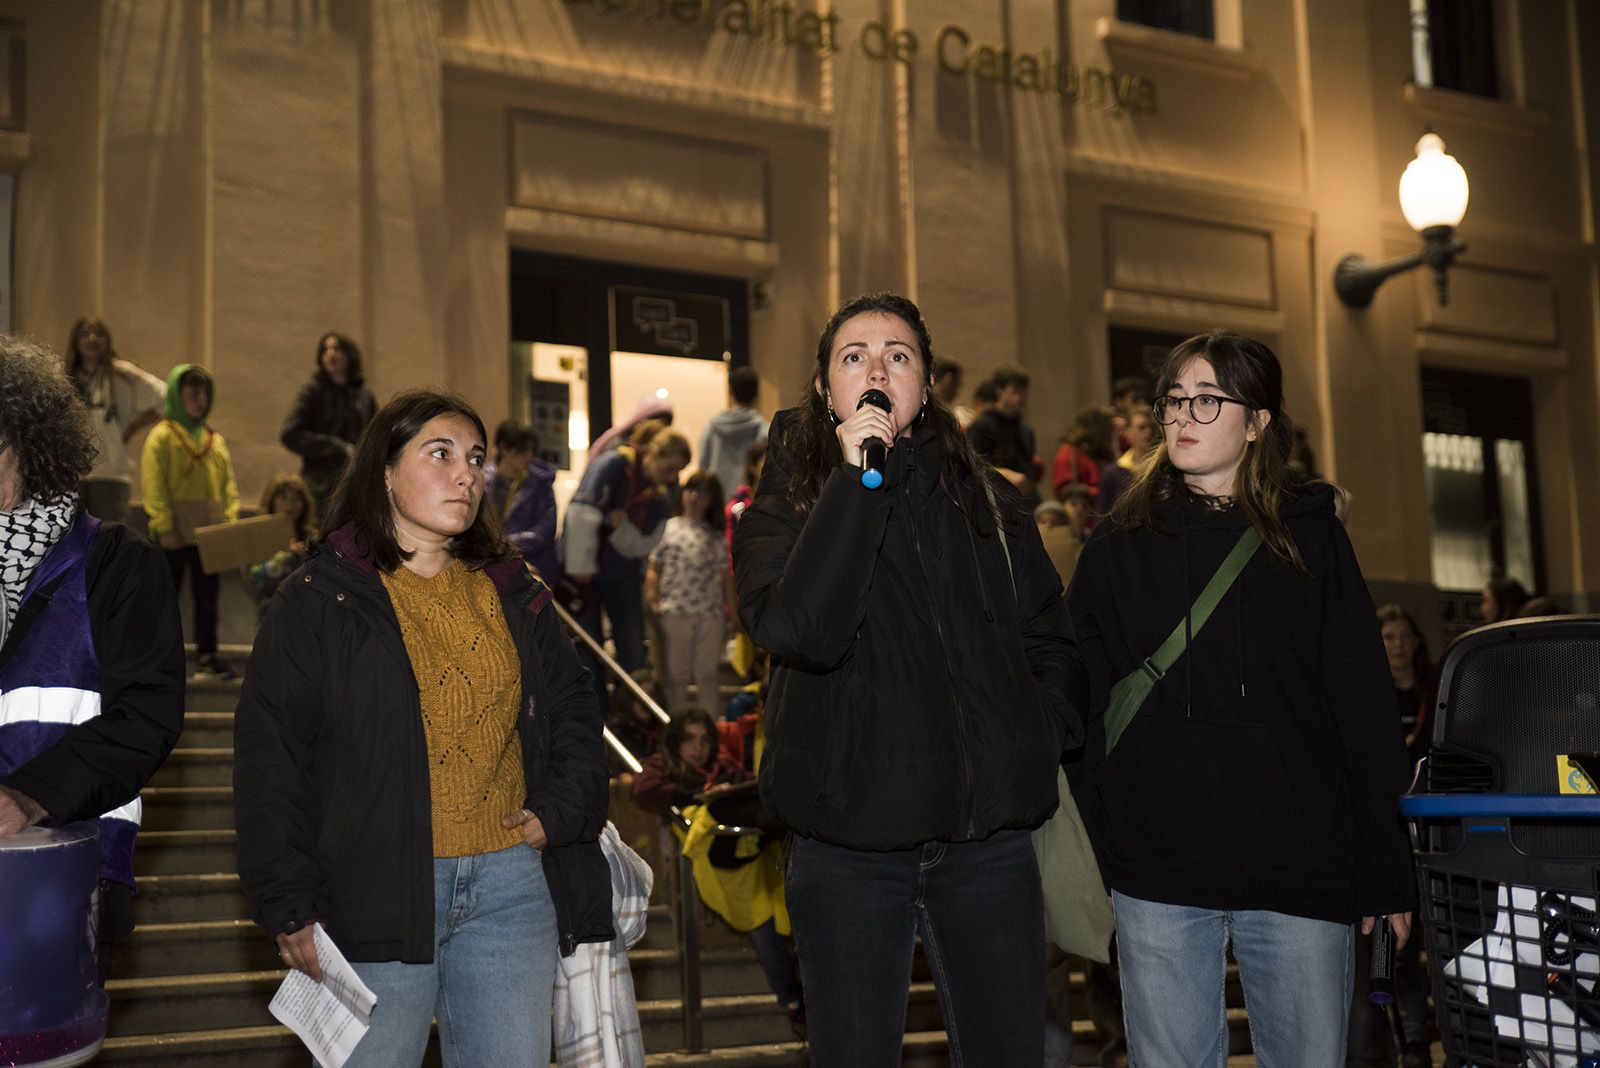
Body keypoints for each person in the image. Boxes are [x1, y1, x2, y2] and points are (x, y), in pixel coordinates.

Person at [733, 292, 1082, 1063]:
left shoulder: (990, 499)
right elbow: (801, 632)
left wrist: (1034, 735)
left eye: (900, 355)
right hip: (847, 851)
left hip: (984, 846)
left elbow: (1050, 639)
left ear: (926, 387)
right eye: (853, 356)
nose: (878, 369)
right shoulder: (786, 502)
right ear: (825, 390)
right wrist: (859, 485)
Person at [1066, 330, 1416, 1065]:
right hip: (1155, 871)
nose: (1184, 416)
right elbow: (1080, 706)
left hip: (1299, 867)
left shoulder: (1311, 539)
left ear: (1257, 422)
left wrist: (1386, 872)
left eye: (1208, 400)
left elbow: (1363, 712)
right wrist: (1101, 840)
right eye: (1173, 401)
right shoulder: (1116, 546)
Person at [234, 390, 612, 1068]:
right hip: (372, 890)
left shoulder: (512, 589)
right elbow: (271, 762)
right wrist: (288, 903)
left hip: (511, 889)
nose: (466, 474)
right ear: (383, 469)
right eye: (440, 454)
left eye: (475, 458)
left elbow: (578, 711)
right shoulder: (321, 600)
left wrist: (561, 809)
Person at [0, 334, 185, 979]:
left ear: (22, 448)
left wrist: (27, 797)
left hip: (67, 877)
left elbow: (147, 715)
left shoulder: (116, 563)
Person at [631, 707, 803, 1034]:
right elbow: (644, 789)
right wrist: (695, 795)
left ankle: (799, 998)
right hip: (702, 864)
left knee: (773, 910)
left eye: (705, 740)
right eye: (690, 740)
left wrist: (726, 793)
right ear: (674, 742)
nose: (698, 748)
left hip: (745, 859)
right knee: (761, 919)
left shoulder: (722, 765)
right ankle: (794, 1001)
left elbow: (752, 788)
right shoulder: (662, 768)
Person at [1345, 603, 1436, 1068]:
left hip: (1425, 835)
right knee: (1385, 953)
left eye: (1404, 635)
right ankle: (1394, 1040)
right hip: (1380, 830)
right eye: (1388, 637)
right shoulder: (1365, 694)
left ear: (1416, 641)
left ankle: (1416, 1038)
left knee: (1410, 943)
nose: (1397, 645)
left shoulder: (1435, 692)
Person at [561, 420, 691, 699]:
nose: (672, 477)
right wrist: (579, 569)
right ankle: (596, 720)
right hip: (587, 578)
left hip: (624, 576)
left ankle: (638, 720)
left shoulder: (662, 496)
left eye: (677, 471)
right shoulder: (612, 465)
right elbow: (581, 514)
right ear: (653, 454)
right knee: (587, 650)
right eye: (670, 468)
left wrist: (621, 527)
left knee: (632, 651)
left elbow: (645, 544)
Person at [141, 364, 240, 679]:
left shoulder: (215, 441)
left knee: (207, 597)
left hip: (207, 536)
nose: (200, 401)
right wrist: (164, 526)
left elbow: (228, 487)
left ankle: (208, 654)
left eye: (204, 395)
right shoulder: (161, 437)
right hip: (173, 536)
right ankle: (161, 658)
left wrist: (229, 525)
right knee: (167, 597)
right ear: (176, 396)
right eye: (192, 394)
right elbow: (153, 484)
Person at [645, 471, 735, 711]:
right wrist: (652, 598)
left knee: (708, 674)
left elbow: (725, 578)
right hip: (675, 608)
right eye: (691, 490)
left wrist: (733, 612)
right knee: (676, 675)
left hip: (710, 611)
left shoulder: (716, 537)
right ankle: (675, 728)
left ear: (711, 500)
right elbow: (654, 566)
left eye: (703, 493)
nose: (695, 497)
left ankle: (710, 728)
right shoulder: (667, 528)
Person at [62, 317, 164, 524]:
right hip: (72, 476)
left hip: (110, 474)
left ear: (107, 340)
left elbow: (164, 396)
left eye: (99, 334)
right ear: (75, 341)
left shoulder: (121, 373)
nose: (92, 339)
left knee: (109, 540)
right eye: (85, 334)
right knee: (72, 544)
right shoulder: (66, 377)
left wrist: (133, 427)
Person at [280, 332, 378, 515]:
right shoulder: (313, 391)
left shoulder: (364, 396)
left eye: (337, 348)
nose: (330, 354)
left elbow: (376, 437)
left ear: (350, 355)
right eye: (325, 349)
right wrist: (336, 447)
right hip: (320, 487)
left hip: (355, 485)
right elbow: (290, 434)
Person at [243, 474, 318, 623]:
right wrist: (288, 558)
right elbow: (253, 578)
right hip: (271, 614)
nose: (290, 504)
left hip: (306, 617)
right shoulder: (260, 535)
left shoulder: (311, 538)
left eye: (296, 499)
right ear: (272, 501)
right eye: (284, 498)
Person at [494, 425, 563, 586]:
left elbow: (545, 530)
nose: (529, 457)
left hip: (534, 567)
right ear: (504, 448)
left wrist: (503, 544)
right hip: (496, 567)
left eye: (531, 451)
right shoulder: (485, 478)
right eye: (523, 450)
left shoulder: (540, 482)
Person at [966, 364, 1042, 506]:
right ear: (999, 390)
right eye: (1015, 390)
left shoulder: (1025, 430)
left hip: (1023, 500)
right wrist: (1005, 474)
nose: (1021, 397)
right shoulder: (982, 426)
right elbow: (972, 467)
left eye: (1024, 391)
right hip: (994, 500)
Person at [698, 366, 768, 502]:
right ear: (757, 393)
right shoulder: (765, 430)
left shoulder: (712, 427)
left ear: (729, 391)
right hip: (749, 504)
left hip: (716, 506)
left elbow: (703, 468)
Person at [1051, 404, 1117, 508]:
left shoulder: (1101, 453)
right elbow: (1066, 492)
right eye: (1107, 429)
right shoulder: (1068, 453)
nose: (1110, 435)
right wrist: (1104, 492)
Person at [1096, 406, 1157, 515]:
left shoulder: (1163, 467)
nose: (1148, 432)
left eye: (1152, 427)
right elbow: (1103, 515)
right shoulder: (1113, 474)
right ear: (1128, 433)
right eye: (1141, 427)